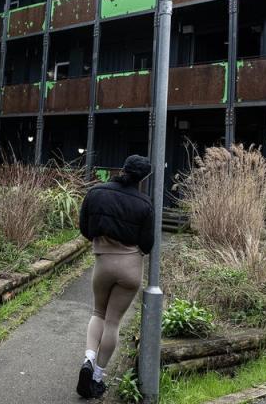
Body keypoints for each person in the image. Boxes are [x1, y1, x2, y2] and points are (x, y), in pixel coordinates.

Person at [76, 154, 155, 399]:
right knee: (113, 322)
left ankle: (88, 359)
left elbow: (84, 228)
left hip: (103, 262)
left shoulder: (96, 193)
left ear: (123, 168)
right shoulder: (145, 203)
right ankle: (98, 378)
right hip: (130, 267)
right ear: (144, 178)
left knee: (98, 312)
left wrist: (101, 242)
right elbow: (147, 243)